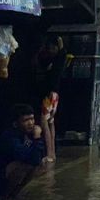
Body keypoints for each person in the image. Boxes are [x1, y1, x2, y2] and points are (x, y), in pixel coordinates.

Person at [0, 105, 47, 200]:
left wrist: (37, 139)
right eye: (26, 120)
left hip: (2, 178)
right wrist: (37, 137)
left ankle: (13, 194)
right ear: (15, 124)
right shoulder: (10, 138)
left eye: (32, 119)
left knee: (37, 164)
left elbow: (39, 158)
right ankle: (4, 198)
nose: (31, 123)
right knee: (23, 165)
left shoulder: (26, 134)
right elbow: (31, 159)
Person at [32, 35, 70, 163]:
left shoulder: (59, 60)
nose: (49, 50)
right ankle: (52, 153)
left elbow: (62, 53)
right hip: (54, 95)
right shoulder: (52, 62)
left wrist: (59, 43)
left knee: (44, 121)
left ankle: (49, 153)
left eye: (51, 48)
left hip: (50, 95)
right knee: (50, 122)